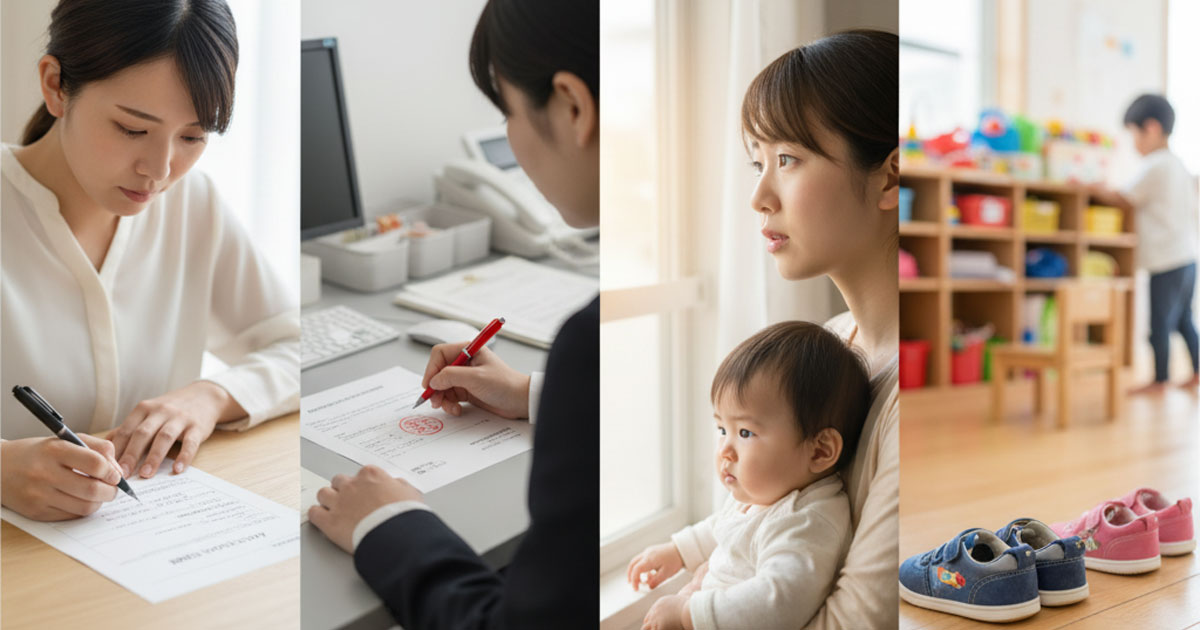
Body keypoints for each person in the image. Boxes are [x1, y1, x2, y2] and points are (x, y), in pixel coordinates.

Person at [306, 0, 599, 627]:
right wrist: (535, 394)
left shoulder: (593, 341)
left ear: (573, 107)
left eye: (508, 113)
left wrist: (389, 521)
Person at [0, 0, 299, 522]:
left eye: (192, 137)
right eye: (132, 129)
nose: (159, 171)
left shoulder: (193, 203)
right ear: (55, 85)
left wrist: (211, 395)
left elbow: (298, 344)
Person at [740, 30, 901, 628]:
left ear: (890, 179)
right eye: (757, 163)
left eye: (787, 160)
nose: (759, 196)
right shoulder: (833, 341)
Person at [629, 322, 871, 629]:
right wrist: (679, 550)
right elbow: (727, 525)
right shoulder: (765, 492)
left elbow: (777, 604)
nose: (725, 451)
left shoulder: (807, 523)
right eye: (722, 430)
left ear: (819, 451)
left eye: (745, 432)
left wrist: (687, 613)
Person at [1090, 94, 1199, 393]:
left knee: (1160, 324)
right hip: (1187, 257)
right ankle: (1196, 371)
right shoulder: (1178, 165)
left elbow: (1125, 198)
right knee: (1183, 319)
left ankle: (1159, 379)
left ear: (1150, 128)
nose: (1134, 144)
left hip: (1166, 260)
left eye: (1133, 135)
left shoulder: (1156, 165)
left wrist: (1097, 189)